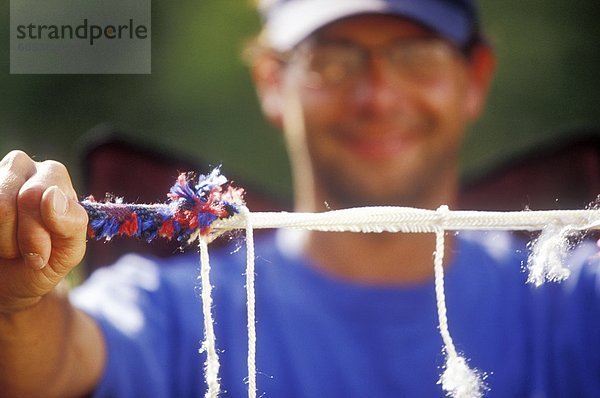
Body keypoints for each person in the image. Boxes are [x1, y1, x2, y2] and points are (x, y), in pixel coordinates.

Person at [1, 0, 599, 397]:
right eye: (332, 59)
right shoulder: (177, 309)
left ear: (476, 79)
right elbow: (50, 362)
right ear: (271, 81)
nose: (376, 96)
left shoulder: (572, 305)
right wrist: (14, 298)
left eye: (416, 55)